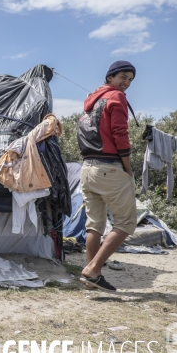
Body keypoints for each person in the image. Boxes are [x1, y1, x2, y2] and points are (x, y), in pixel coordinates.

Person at [77, 60, 138, 292]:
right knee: (126, 223)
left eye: (131, 79)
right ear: (110, 77)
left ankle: (92, 279)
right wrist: (127, 167)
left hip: (87, 168)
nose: (127, 83)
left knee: (95, 225)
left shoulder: (91, 101)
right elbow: (120, 133)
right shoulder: (116, 97)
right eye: (123, 76)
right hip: (110, 167)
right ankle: (93, 270)